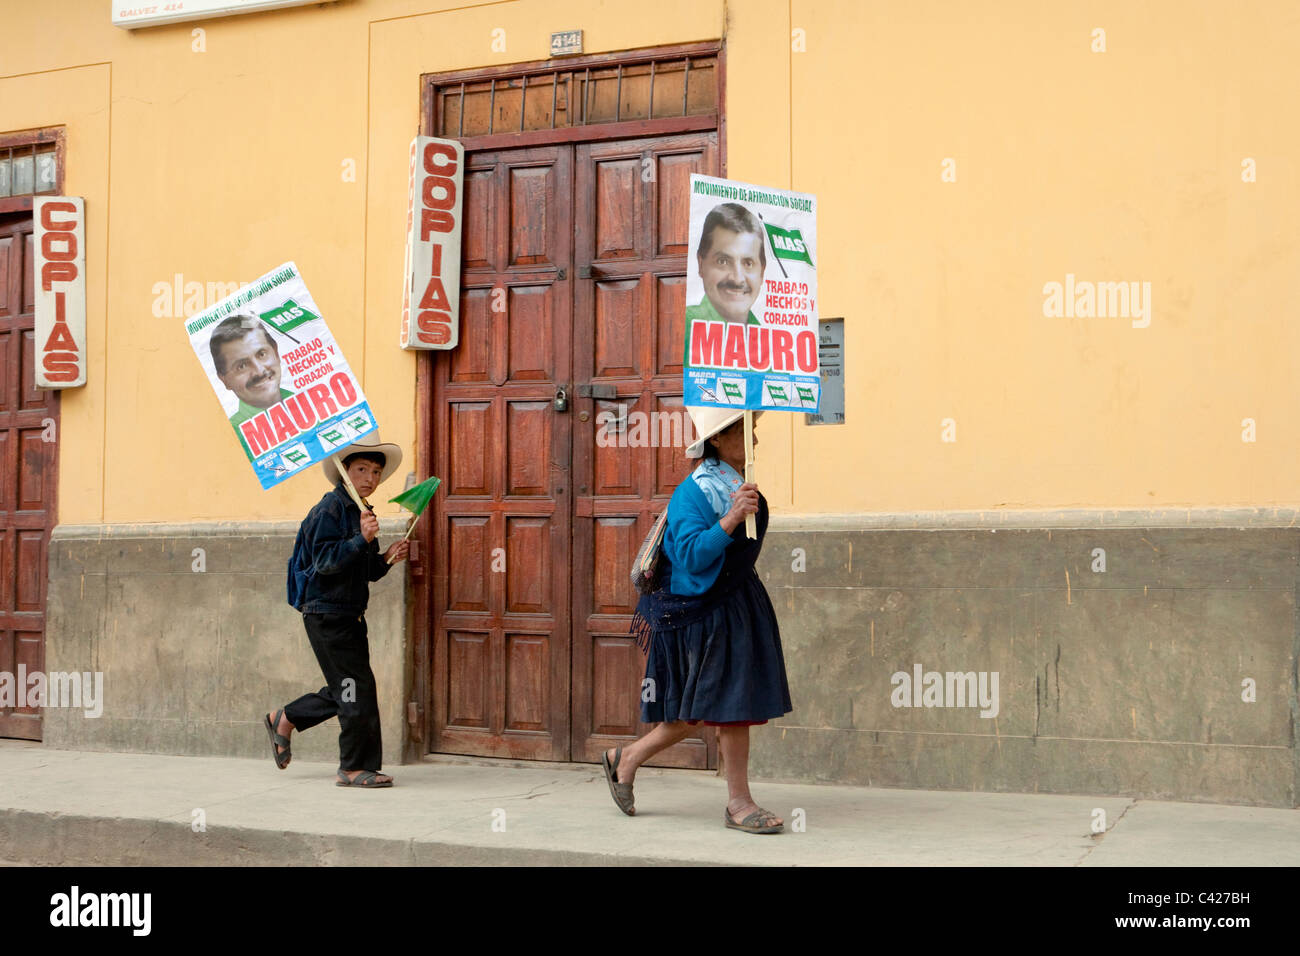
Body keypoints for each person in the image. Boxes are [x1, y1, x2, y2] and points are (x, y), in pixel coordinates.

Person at [604, 406, 792, 832]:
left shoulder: (736, 485)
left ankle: (625, 759)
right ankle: (739, 804)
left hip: (734, 607)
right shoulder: (693, 493)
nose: (754, 441)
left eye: (754, 430)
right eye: (746, 431)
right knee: (729, 707)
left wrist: (740, 512)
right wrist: (730, 518)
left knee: (713, 707)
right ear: (718, 441)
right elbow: (689, 554)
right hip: (700, 613)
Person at [263, 432, 410, 788]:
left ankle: (286, 717)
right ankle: (353, 768)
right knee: (353, 687)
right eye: (361, 469)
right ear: (345, 471)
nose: (370, 478)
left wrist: (387, 556)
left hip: (349, 612)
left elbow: (365, 570)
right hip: (326, 612)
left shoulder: (360, 512)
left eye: (376, 472)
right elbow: (325, 563)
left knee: (353, 687)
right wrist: (362, 539)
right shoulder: (329, 510)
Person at [684, 202, 767, 341]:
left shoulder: (771, 344)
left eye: (748, 263)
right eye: (723, 261)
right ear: (700, 264)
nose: (737, 279)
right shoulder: (682, 327)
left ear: (762, 272)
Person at [209, 313, 292, 428]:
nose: (259, 371)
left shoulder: (311, 399)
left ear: (276, 353)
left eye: (262, 354)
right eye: (242, 366)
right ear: (224, 380)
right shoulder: (233, 434)